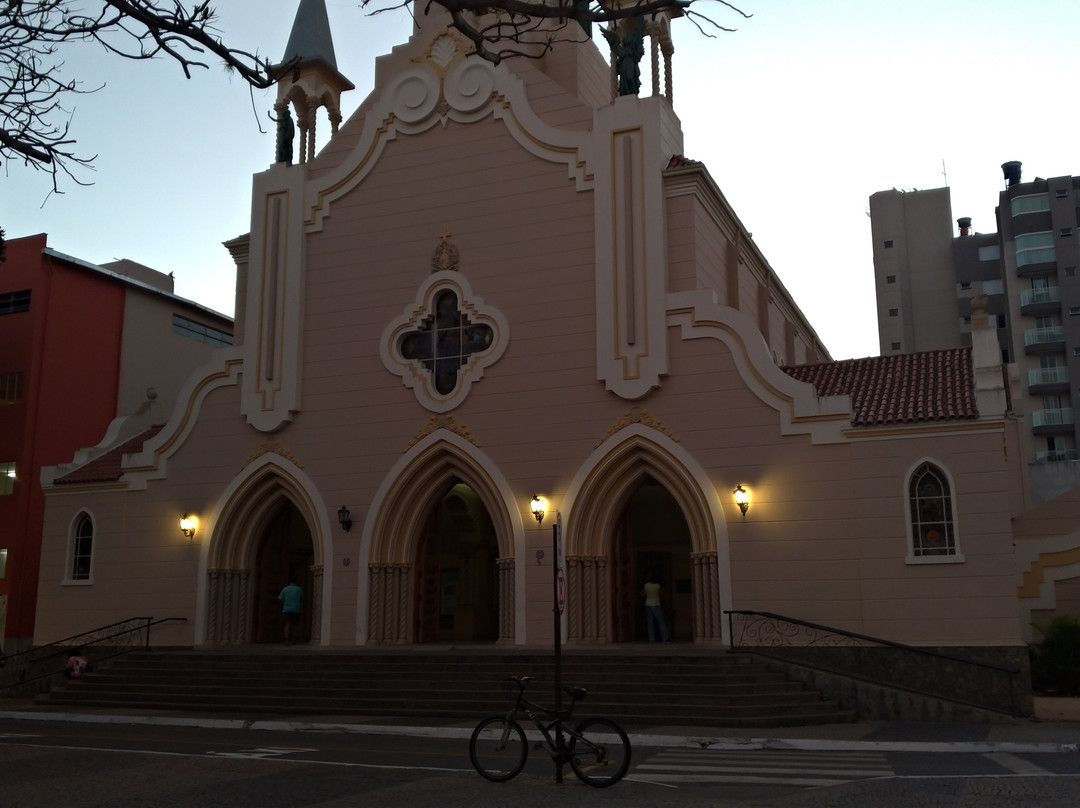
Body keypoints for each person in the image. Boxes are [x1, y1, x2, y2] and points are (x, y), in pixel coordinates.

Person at [641, 571, 670, 643]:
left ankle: (651, 639)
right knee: (661, 622)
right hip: (656, 604)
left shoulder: (646, 585)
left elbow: (643, 595)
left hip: (648, 604)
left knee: (650, 622)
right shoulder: (658, 586)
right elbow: (662, 596)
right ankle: (665, 638)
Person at [278, 577, 304, 645]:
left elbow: (280, 598)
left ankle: (286, 639)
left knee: (287, 624)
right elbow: (302, 599)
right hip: (296, 609)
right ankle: (294, 638)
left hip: (286, 609)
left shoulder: (285, 589)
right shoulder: (299, 589)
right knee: (294, 624)